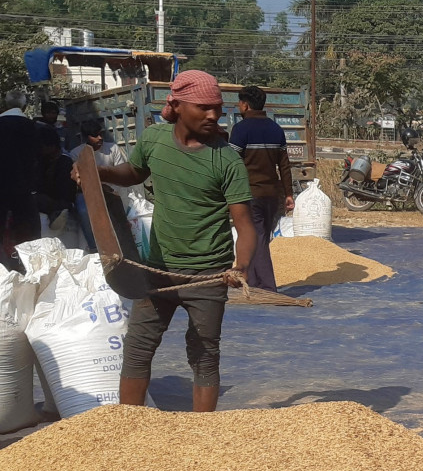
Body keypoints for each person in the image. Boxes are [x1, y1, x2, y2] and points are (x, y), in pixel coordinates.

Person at [78, 70, 256, 412]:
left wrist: (240, 266)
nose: (213, 115)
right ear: (177, 105)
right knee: (139, 345)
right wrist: (96, 173)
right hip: (157, 270)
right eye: (203, 107)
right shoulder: (154, 140)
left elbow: (246, 226)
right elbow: (133, 173)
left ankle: (200, 435)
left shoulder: (226, 159)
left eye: (217, 108)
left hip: (207, 275)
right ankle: (131, 426)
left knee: (203, 353)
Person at [229, 85, 294, 292]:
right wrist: (289, 194)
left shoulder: (240, 130)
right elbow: (284, 165)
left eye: (240, 103)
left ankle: (267, 286)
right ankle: (255, 283)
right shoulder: (276, 129)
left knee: (256, 238)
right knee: (261, 236)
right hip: (272, 195)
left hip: (249, 194)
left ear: (245, 105)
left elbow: (232, 164)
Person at [70, 119, 131, 252]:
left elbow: (121, 172)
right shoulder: (76, 153)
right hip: (90, 194)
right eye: (95, 135)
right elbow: (79, 181)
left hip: (114, 190)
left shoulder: (112, 148)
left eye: (100, 134)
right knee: (82, 210)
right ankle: (94, 249)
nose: (100, 138)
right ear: (86, 137)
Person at [0, 90, 41, 264]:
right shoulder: (32, 127)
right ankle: (28, 264)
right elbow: (36, 158)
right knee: (27, 229)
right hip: (24, 186)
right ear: (24, 106)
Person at [33, 124, 76, 229]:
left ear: (51, 146)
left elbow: (65, 191)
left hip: (62, 201)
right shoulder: (42, 161)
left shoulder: (64, 161)